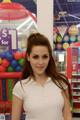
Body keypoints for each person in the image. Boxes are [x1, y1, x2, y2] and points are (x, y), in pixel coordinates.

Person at [12, 33, 72, 120]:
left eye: (45, 57)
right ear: (28, 57)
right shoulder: (20, 87)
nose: (40, 62)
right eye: (35, 57)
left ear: (49, 57)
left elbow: (67, 115)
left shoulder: (61, 82)